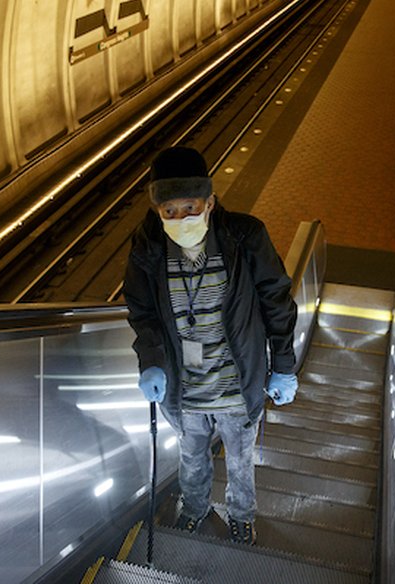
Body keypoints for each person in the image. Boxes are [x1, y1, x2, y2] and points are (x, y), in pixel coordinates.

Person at [123, 145, 299, 546]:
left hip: (238, 382)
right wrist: (150, 360)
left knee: (240, 459)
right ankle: (195, 508)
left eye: (191, 207)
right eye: (170, 210)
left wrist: (284, 365)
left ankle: (241, 515)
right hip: (186, 389)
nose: (181, 218)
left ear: (210, 202)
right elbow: (143, 310)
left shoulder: (244, 236)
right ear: (157, 211)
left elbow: (276, 298)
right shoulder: (147, 248)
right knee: (191, 458)